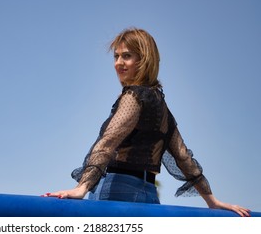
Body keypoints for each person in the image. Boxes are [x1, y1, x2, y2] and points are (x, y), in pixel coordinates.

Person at [44, 28, 250, 217]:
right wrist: (211, 200)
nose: (118, 63)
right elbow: (182, 156)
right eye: (116, 56)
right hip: (148, 194)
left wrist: (82, 187)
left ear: (144, 60)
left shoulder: (133, 97)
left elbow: (108, 141)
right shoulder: (159, 104)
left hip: (116, 190)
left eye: (127, 56)